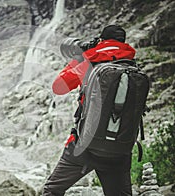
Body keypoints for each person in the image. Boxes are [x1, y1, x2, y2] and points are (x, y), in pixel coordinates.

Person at [43, 25, 136, 196]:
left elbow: (58, 87)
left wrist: (78, 60)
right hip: (119, 149)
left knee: (52, 190)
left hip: (84, 147)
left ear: (101, 41)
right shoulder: (133, 68)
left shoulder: (91, 62)